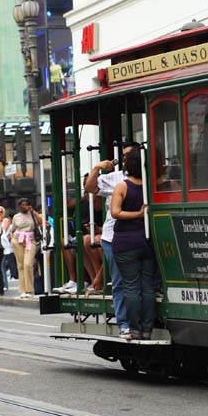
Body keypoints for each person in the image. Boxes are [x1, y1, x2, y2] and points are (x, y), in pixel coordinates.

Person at [84, 142, 141, 331]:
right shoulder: (116, 177)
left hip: (139, 234)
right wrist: (97, 167)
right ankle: (124, 323)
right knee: (120, 280)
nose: (126, 160)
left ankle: (139, 321)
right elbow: (90, 188)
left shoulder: (147, 177)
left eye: (130, 156)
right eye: (124, 156)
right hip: (114, 235)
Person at [111, 150, 156, 341]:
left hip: (125, 242)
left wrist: (137, 214)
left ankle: (135, 330)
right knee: (147, 287)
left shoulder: (122, 186)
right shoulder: (150, 187)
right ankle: (147, 329)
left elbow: (115, 212)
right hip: (146, 242)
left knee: (131, 288)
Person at [9, 198, 40, 299]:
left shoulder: (32, 215)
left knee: (28, 264)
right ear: (19, 206)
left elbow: (41, 222)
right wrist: (11, 239)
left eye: (26, 204)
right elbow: (12, 229)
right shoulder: (16, 217)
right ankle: (22, 290)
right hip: (18, 240)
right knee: (21, 265)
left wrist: (33, 212)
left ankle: (29, 289)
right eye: (22, 205)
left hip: (30, 240)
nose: (24, 206)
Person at [0, 206, 15, 288]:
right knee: (0, 265)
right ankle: (2, 283)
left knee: (2, 265)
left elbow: (2, 230)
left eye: (1, 212)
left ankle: (4, 283)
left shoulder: (6, 220)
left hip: (4, 246)